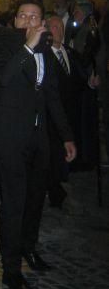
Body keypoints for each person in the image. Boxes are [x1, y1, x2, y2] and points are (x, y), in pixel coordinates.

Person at [0, 0, 76, 289]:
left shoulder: (45, 51)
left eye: (34, 16)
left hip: (39, 140)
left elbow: (51, 96)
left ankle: (29, 247)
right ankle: (10, 268)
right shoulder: (0, 42)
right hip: (9, 138)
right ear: (14, 21)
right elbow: (3, 77)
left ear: (41, 21)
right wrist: (26, 47)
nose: (27, 20)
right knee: (14, 203)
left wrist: (66, 135)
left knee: (36, 200)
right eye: (22, 16)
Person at [45, 15, 99, 207]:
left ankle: (59, 183)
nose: (56, 30)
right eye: (51, 27)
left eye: (59, 27)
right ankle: (54, 189)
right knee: (52, 156)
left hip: (71, 115)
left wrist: (91, 83)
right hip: (51, 118)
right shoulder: (43, 56)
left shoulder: (71, 53)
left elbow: (81, 79)